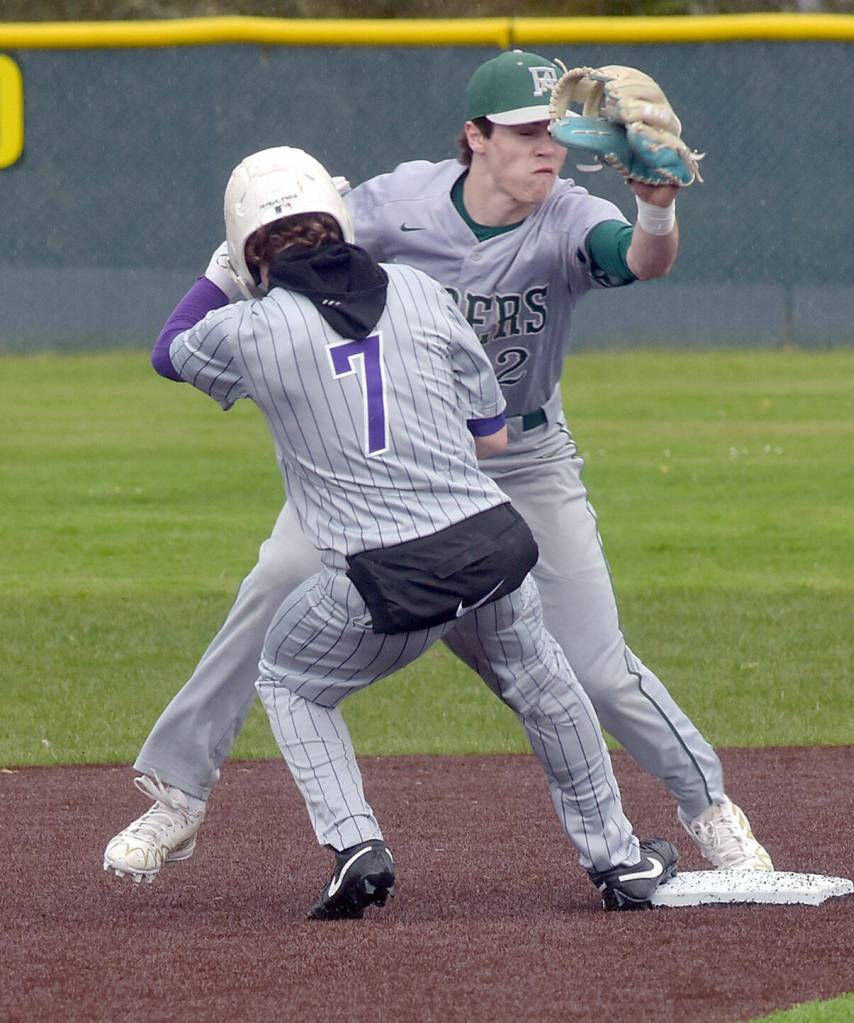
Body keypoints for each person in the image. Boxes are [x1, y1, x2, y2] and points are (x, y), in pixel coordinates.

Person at [104, 50, 771, 884]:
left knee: (596, 666)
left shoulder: (567, 215)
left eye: (556, 134)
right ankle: (178, 796)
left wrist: (656, 209)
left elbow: (637, 259)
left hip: (519, 457)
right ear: (475, 137)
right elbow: (288, 253)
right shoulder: (394, 204)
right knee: (270, 587)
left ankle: (709, 808)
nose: (547, 149)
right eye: (526, 132)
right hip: (381, 468)